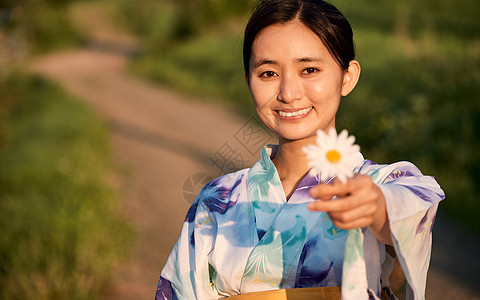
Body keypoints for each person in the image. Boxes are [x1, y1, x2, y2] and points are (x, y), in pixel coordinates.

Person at [155, 0, 445, 299]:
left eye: (309, 69)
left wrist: (375, 208)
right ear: (248, 80)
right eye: (268, 73)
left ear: (348, 76)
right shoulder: (218, 198)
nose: (288, 93)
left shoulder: (381, 184)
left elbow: (407, 210)